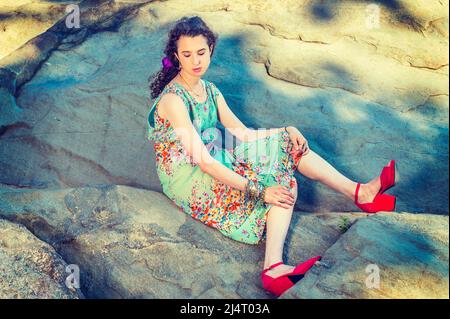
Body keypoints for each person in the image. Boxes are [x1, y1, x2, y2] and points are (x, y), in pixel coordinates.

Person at [146, 16, 396, 297]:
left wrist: (286, 130)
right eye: (187, 54)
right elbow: (202, 161)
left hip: (215, 155)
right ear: (176, 56)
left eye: (201, 52)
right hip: (189, 176)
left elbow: (241, 133)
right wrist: (259, 191)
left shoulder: (210, 90)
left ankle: (360, 192)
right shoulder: (173, 100)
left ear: (211, 49)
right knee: (283, 186)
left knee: (288, 145)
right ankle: (273, 268)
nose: (195, 61)